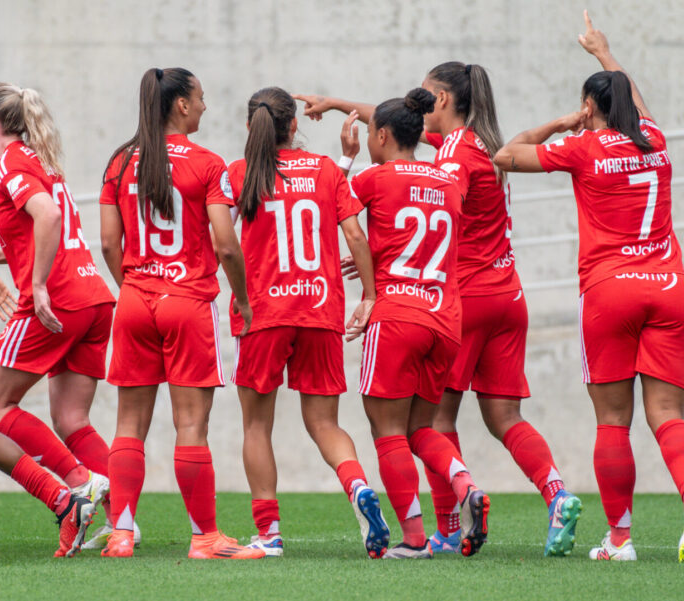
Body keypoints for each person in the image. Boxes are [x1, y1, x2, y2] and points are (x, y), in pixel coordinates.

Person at [295, 67, 579, 557]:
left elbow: (390, 196)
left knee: (427, 424)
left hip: (454, 297)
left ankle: (445, 526)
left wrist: (376, 258)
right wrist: (340, 102)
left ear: (441, 98)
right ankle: (557, 494)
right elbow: (410, 139)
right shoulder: (481, 146)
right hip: (507, 296)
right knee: (504, 416)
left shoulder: (448, 157)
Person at [493, 11, 684, 563]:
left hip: (612, 291)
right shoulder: (655, 140)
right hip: (670, 286)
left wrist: (568, 121)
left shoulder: (583, 149)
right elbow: (634, 102)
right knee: (669, 415)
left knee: (613, 420)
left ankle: (620, 539)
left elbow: (506, 153)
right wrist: (605, 53)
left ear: (591, 107)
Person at [99, 67, 263, 560]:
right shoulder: (208, 164)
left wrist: (132, 286)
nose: (206, 107)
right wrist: (241, 297)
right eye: (201, 98)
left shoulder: (120, 161)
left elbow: (109, 242)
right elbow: (227, 245)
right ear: (181, 106)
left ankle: (122, 533)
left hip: (135, 299)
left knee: (129, 423)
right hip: (188, 301)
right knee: (191, 425)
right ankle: (205, 538)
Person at [227, 87, 389, 558]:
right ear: (294, 125)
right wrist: (371, 295)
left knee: (257, 426)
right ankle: (358, 486)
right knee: (324, 423)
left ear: (250, 127)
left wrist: (236, 294)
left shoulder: (239, 174)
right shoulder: (323, 170)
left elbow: (222, 239)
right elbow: (355, 233)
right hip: (319, 310)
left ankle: (269, 534)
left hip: (262, 312)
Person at [0, 82, 116, 557]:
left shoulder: (9, 163)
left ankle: (79, 484)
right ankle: (123, 522)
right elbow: (37, 226)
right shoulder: (40, 161)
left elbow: (48, 217)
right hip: (94, 297)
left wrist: (33, 286)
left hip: (59, 302)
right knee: (71, 418)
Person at [346, 88, 489, 559]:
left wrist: (346, 160)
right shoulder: (449, 182)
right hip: (445, 320)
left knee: (386, 430)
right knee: (421, 429)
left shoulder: (374, 177)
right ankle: (466, 485)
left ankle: (412, 538)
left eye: (369, 133)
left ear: (383, 135)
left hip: (396, 315)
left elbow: (337, 212)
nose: (368, 140)